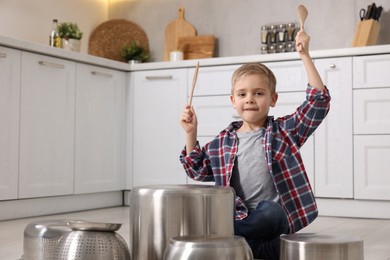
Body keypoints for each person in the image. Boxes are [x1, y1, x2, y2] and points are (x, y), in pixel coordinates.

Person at [179, 29, 330, 260]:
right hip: (238, 215)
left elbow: (318, 103)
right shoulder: (223, 141)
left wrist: (305, 56)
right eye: (242, 94)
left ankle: (223, 236)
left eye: (258, 93)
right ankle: (250, 246)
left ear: (273, 99)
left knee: (270, 212)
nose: (249, 98)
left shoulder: (284, 131)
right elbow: (196, 170)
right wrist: (191, 133)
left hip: (272, 217)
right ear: (233, 101)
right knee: (274, 245)